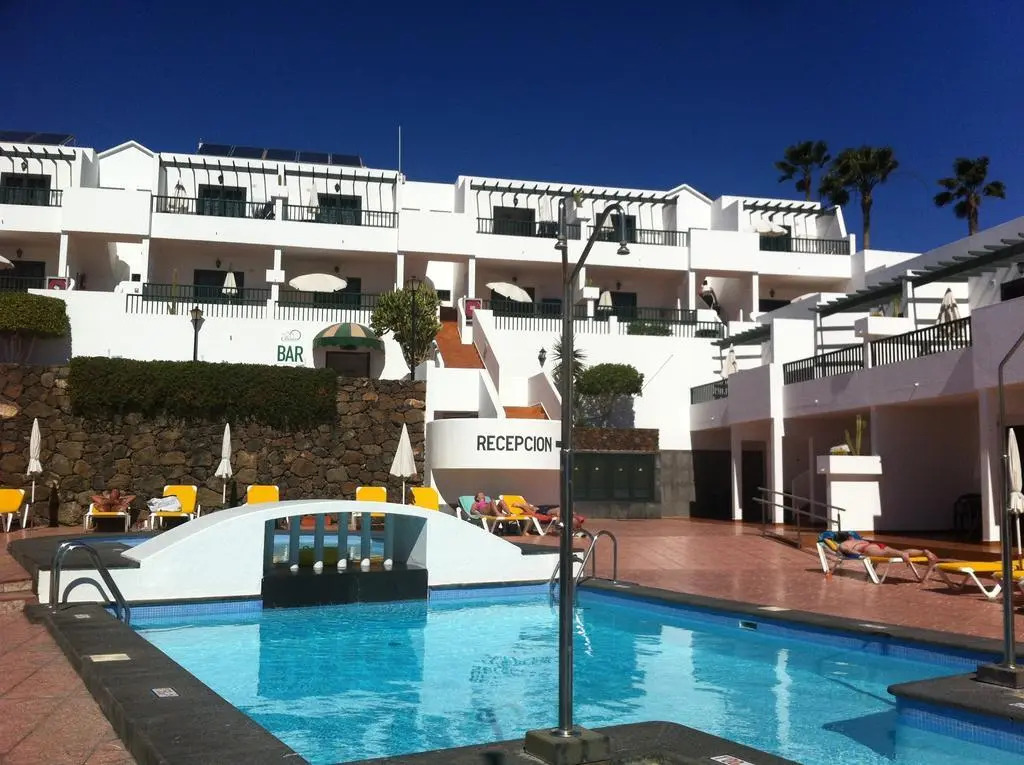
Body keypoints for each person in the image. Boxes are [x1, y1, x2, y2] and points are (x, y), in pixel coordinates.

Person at [835, 531, 937, 564]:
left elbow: (847, 550)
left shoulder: (843, 544)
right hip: (876, 544)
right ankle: (923, 552)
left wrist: (859, 554)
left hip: (865, 549)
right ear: (850, 537)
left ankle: (901, 554)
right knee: (897, 551)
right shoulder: (856, 539)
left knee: (884, 554)